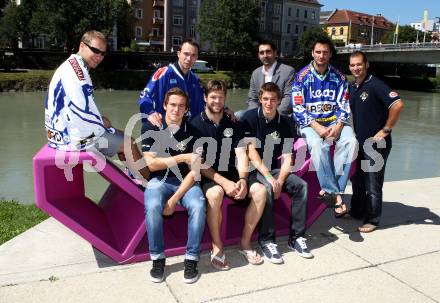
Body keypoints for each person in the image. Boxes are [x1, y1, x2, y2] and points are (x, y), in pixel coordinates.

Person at [44, 30, 149, 181]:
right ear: (82, 46)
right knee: (129, 143)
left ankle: (135, 178)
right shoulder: (77, 76)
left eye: (103, 53)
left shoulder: (73, 66)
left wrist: (100, 119)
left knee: (120, 137)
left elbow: (78, 107)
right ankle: (154, 187)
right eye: (95, 51)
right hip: (72, 139)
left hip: (59, 133)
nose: (99, 57)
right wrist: (101, 122)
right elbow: (81, 112)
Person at [190, 80, 267, 268]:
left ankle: (245, 242)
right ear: (205, 98)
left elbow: (241, 152)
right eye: (213, 97)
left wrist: (242, 179)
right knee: (215, 194)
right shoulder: (194, 125)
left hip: (231, 172)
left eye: (221, 97)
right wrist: (224, 183)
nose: (217, 101)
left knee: (260, 191)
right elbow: (197, 164)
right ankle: (217, 246)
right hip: (208, 175)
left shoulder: (232, 122)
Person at [241, 82, 313, 263]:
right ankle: (267, 240)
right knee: (267, 188)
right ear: (260, 99)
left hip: (274, 169)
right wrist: (270, 179)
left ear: (279, 101)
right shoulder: (248, 118)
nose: (269, 103)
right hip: (254, 169)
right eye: (265, 99)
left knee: (301, 186)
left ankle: (296, 238)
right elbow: (251, 153)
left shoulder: (286, 123)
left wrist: (280, 180)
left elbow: (288, 157)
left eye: (273, 99)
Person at [142, 87, 206, 284]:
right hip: (158, 180)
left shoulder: (194, 131)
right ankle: (158, 259)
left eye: (181, 106)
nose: (176, 110)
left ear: (186, 109)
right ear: (164, 106)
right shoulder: (150, 127)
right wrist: (182, 157)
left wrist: (174, 199)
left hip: (186, 182)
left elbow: (195, 171)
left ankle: (192, 258)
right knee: (152, 206)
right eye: (172, 105)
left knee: (198, 205)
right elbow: (151, 163)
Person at [291, 36, 357, 217]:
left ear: (330, 55)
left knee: (351, 141)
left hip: (335, 122)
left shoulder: (339, 77)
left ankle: (330, 191)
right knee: (318, 145)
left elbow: (344, 105)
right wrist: (317, 127)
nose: (321, 55)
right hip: (309, 124)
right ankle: (336, 196)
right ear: (312, 53)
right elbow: (297, 107)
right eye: (318, 52)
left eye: (325, 52)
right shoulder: (301, 77)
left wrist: (339, 125)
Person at [348, 51, 404, 233]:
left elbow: (397, 104)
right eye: (352, 65)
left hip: (376, 144)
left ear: (367, 64)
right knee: (357, 181)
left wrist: (386, 129)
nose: (356, 68)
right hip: (360, 143)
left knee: (373, 184)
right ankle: (357, 211)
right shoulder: (352, 87)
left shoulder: (375, 84)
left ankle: (372, 220)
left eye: (359, 64)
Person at [138, 39, 205, 127]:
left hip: (186, 132)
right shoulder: (164, 73)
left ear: (196, 57)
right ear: (178, 54)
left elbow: (207, 100)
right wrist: (150, 113)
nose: (189, 58)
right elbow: (145, 97)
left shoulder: (195, 79)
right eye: (186, 54)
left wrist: (224, 109)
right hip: (163, 130)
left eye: (193, 55)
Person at [247, 42, 295, 116]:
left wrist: (273, 116)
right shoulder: (255, 73)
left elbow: (288, 98)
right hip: (260, 115)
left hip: (280, 115)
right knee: (238, 115)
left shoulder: (288, 71)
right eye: (262, 53)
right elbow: (252, 99)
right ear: (259, 55)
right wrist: (257, 115)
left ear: (275, 53)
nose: (265, 55)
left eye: (268, 52)